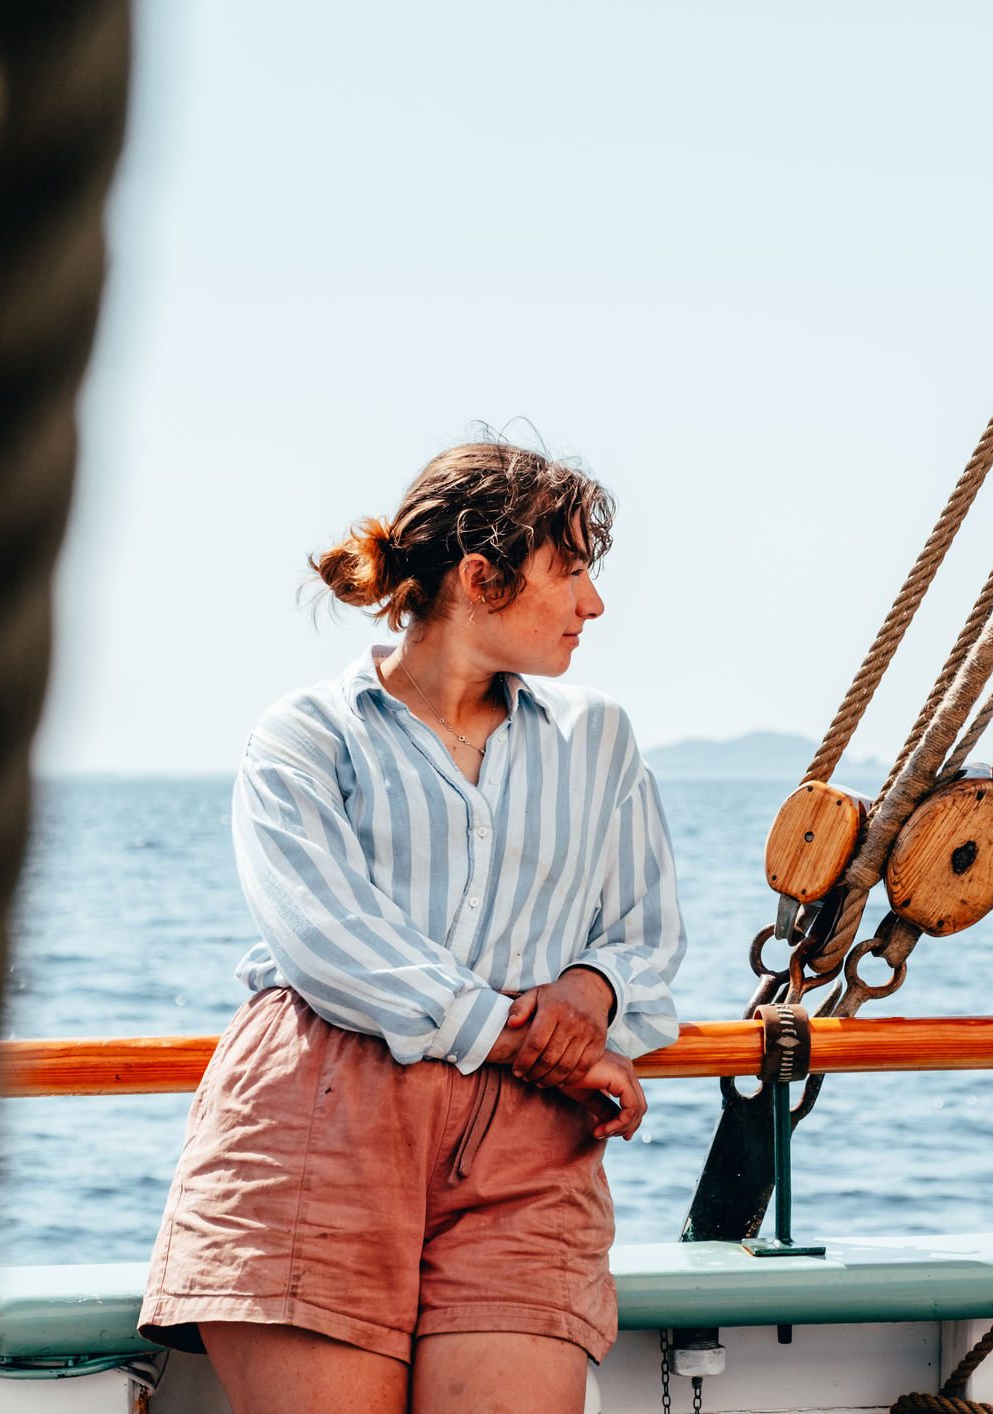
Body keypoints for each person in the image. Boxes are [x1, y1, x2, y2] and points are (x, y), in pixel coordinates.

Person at [138, 442, 687, 1414]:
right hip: (319, 1124)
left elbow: (646, 931)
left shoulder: (598, 738)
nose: (592, 603)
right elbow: (326, 940)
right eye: (571, 570)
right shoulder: (305, 735)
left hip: (529, 1146)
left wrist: (588, 995)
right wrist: (526, 1033)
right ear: (482, 578)